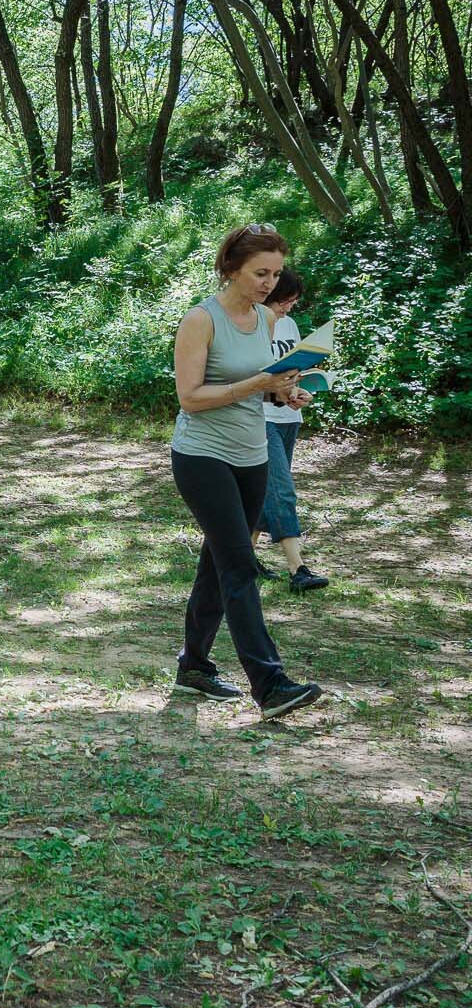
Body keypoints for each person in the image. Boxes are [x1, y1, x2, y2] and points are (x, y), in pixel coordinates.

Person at [169, 224, 321, 719]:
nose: (269, 284)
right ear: (231, 267)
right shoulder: (201, 320)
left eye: (275, 275)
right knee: (239, 566)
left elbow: (266, 386)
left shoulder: (267, 320)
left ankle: (194, 667)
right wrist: (259, 382)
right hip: (202, 455)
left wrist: (285, 392)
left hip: (252, 454)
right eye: (260, 273)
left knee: (218, 561)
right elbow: (190, 397)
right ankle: (271, 684)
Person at [255, 269, 329, 592]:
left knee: (263, 491)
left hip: (288, 418)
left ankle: (242, 558)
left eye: (293, 303)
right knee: (282, 489)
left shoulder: (289, 324)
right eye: (284, 301)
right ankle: (297, 568)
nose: (288, 308)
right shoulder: (253, 323)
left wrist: (302, 391)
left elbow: (294, 370)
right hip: (260, 416)